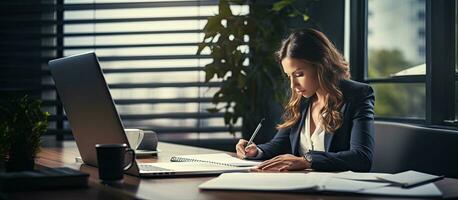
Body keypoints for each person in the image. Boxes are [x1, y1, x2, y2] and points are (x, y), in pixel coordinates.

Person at [236, 28, 375, 172]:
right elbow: (280, 144)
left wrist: (307, 160)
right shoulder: (302, 98)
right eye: (289, 76)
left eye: (299, 74)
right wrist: (257, 150)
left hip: (338, 189)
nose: (293, 85)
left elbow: (362, 158)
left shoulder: (358, 94)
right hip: (302, 187)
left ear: (321, 66)